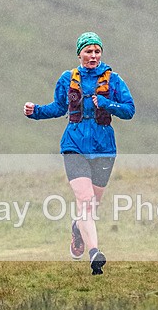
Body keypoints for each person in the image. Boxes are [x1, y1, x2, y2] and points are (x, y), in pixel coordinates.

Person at [24, 32, 135, 275]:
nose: (93, 56)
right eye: (88, 51)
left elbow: (129, 110)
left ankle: (77, 228)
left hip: (104, 147)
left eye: (97, 51)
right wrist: (36, 111)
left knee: (91, 207)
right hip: (73, 145)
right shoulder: (67, 79)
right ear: (79, 54)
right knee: (85, 201)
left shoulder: (114, 80)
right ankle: (95, 252)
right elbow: (58, 108)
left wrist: (106, 105)